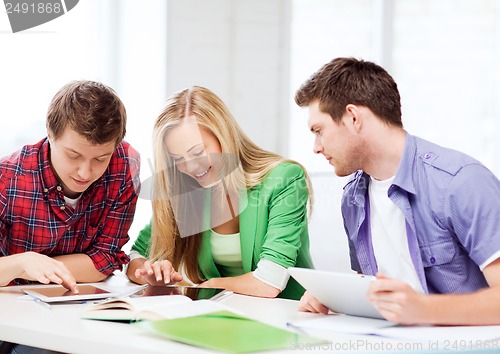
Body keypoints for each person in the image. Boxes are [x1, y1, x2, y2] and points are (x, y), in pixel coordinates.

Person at [294, 57, 500, 325]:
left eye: (319, 130)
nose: (316, 147)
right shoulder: (353, 198)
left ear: (353, 117)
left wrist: (424, 309)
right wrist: (336, 298)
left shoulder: (461, 183)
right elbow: (373, 288)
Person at [126, 86, 313, 300]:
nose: (192, 167)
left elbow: (269, 282)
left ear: (223, 135)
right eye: (178, 159)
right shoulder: (188, 191)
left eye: (197, 152)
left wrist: (211, 285)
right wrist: (151, 274)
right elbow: (136, 256)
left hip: (286, 315)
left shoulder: (284, 178)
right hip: (221, 315)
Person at [0, 80, 140, 353]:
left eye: (100, 159)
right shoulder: (8, 178)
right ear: (50, 134)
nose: (85, 173)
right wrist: (23, 263)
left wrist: (31, 269)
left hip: (78, 316)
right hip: (12, 319)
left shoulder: (125, 165)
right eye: (73, 155)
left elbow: (106, 259)